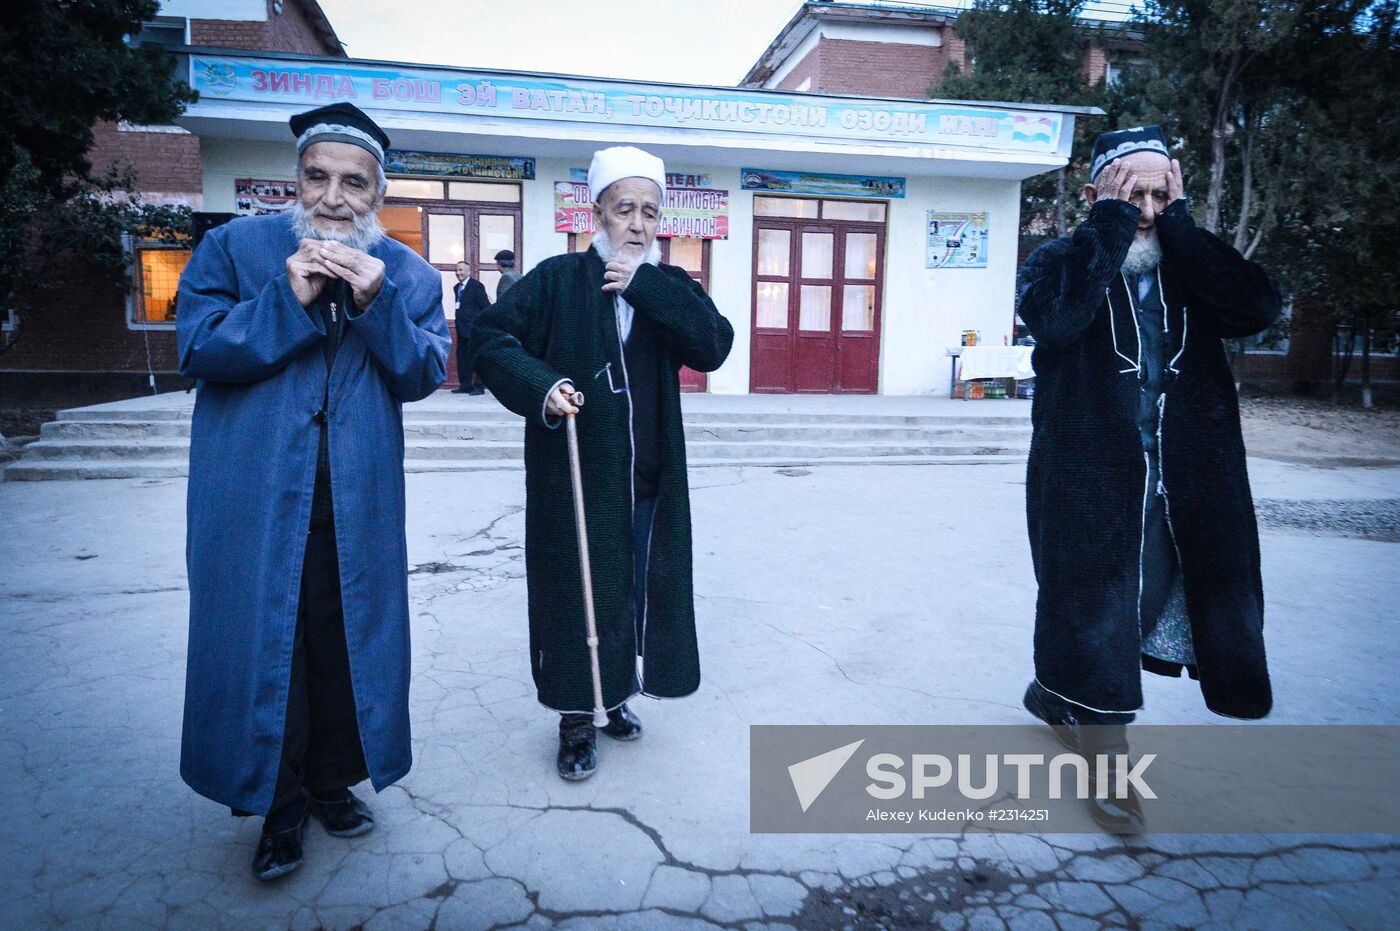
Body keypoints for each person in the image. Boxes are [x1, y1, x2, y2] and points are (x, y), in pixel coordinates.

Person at [175, 101, 450, 880]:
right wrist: (283, 300)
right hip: (255, 499)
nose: (334, 197)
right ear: (294, 181)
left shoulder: (408, 274)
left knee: (345, 644)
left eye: (354, 183)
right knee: (273, 645)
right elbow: (196, 346)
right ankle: (280, 804)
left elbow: (425, 372)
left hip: (355, 504)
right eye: (318, 177)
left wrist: (376, 306)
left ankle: (333, 781)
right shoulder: (235, 248)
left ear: (377, 194)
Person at [1015, 126, 1283, 832]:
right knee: (1098, 606)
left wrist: (1183, 225)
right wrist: (1108, 226)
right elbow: (1054, 318)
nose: (1146, 205)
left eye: (1160, 191)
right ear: (1095, 193)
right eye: (1131, 190)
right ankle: (1107, 761)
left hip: (1185, 476)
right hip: (1088, 475)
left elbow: (1258, 307)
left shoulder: (1188, 265)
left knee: (1152, 602)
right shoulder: (1060, 260)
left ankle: (1055, 692)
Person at [470, 145, 734, 781]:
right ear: (598, 213)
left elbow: (714, 346)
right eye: (625, 210)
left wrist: (642, 285)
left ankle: (612, 697)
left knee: (627, 591)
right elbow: (489, 339)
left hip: (647, 475)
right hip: (575, 478)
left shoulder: (667, 286)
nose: (638, 224)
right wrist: (542, 386)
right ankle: (573, 718)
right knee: (575, 594)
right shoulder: (557, 280)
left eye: (649, 211)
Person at [452, 261, 491, 395]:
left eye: (461, 270)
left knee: (477, 358)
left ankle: (479, 386)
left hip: (474, 329)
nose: (459, 273)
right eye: (457, 270)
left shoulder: (477, 286)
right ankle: (465, 385)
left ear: (469, 272)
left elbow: (485, 306)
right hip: (461, 329)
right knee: (462, 358)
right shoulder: (456, 287)